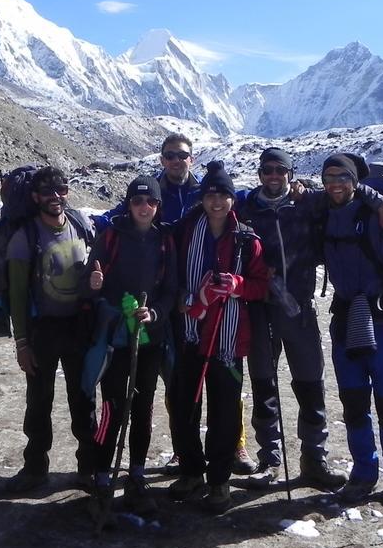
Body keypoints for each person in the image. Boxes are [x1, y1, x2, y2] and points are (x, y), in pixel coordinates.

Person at [237, 148, 383, 492]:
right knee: (264, 384)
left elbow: (348, 188)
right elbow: (215, 198)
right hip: (260, 306)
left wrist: (382, 204)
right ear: (259, 173)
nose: (273, 175)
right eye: (267, 169)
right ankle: (269, 459)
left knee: (310, 384)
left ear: (290, 173)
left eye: (280, 170)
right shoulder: (245, 206)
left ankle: (314, 459)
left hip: (298, 307)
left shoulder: (308, 202)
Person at [95, 132, 257, 476]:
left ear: (191, 158)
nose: (176, 160)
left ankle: (235, 446)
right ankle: (186, 455)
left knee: (222, 389)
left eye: (182, 155)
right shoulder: (154, 194)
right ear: (162, 159)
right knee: (182, 388)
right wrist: (83, 224)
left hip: (200, 313)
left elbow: (254, 198)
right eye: (169, 155)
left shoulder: (210, 196)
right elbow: (118, 216)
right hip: (177, 310)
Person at [316, 153, 383, 509]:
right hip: (345, 319)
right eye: (329, 177)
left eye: (342, 176)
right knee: (354, 403)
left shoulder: (376, 217)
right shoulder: (323, 211)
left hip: (382, 317)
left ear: (355, 180)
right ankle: (363, 474)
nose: (336, 183)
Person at [168, 161, 269, 513]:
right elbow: (172, 275)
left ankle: (220, 481)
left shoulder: (246, 240)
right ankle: (191, 471)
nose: (217, 202)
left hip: (227, 342)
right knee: (184, 406)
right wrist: (183, 297)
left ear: (231, 200)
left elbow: (261, 285)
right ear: (202, 197)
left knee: (225, 413)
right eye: (211, 194)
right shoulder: (184, 231)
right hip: (191, 335)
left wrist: (239, 285)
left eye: (223, 195)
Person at [83, 175, 178, 519]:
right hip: (116, 337)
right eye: (137, 202)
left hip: (151, 335)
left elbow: (171, 289)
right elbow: (91, 280)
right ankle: (102, 475)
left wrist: (154, 312)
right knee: (112, 406)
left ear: (157, 206)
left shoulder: (165, 240)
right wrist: (95, 286)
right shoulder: (110, 237)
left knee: (143, 406)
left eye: (150, 202)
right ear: (128, 204)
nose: (144, 207)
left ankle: (136, 474)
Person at [6, 166, 99, 494]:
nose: (55, 197)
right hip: (42, 330)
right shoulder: (25, 237)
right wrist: (21, 342)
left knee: (84, 397)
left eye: (61, 190)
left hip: (78, 326)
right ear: (35, 197)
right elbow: (17, 294)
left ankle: (89, 465)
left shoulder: (79, 224)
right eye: (48, 192)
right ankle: (35, 467)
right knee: (39, 399)